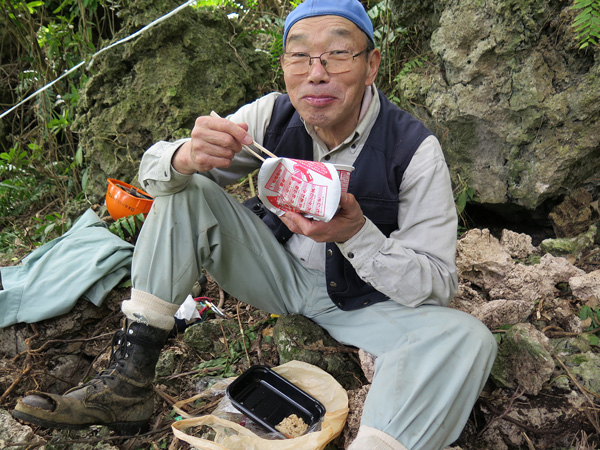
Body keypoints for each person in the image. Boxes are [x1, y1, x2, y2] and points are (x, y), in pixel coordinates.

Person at [13, 0, 497, 448]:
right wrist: (184, 155)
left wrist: (356, 235)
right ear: (284, 66)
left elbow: (438, 284)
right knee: (190, 188)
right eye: (300, 57)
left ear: (371, 66)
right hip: (275, 274)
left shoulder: (413, 149)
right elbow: (156, 175)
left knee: (467, 338)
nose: (317, 73)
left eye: (338, 54)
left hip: (364, 304)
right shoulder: (270, 115)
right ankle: (128, 382)